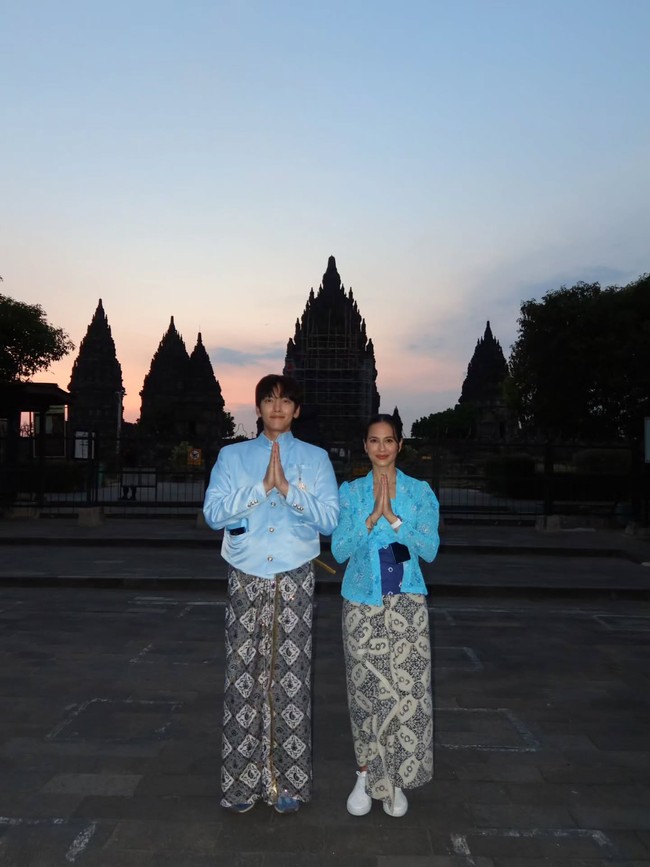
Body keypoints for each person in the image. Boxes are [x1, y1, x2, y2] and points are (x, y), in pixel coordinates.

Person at [203, 374, 339, 815]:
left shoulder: (316, 459)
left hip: (294, 573)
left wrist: (288, 491)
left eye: (285, 401)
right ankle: (241, 782)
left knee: (291, 677)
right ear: (257, 408)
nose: (277, 407)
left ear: (297, 410)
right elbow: (213, 513)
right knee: (242, 674)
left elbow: (330, 521)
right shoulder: (233, 455)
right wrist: (260, 488)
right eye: (268, 400)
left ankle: (287, 782)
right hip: (245, 571)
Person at [331, 413, 440, 818]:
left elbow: (428, 549)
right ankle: (365, 774)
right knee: (366, 691)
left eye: (389, 440)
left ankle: (393, 777)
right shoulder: (351, 493)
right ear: (364, 445)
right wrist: (371, 518)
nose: (381, 448)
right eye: (374, 440)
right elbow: (339, 549)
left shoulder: (419, 491)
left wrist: (395, 518)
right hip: (361, 602)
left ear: (400, 445)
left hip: (406, 604)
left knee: (407, 691)